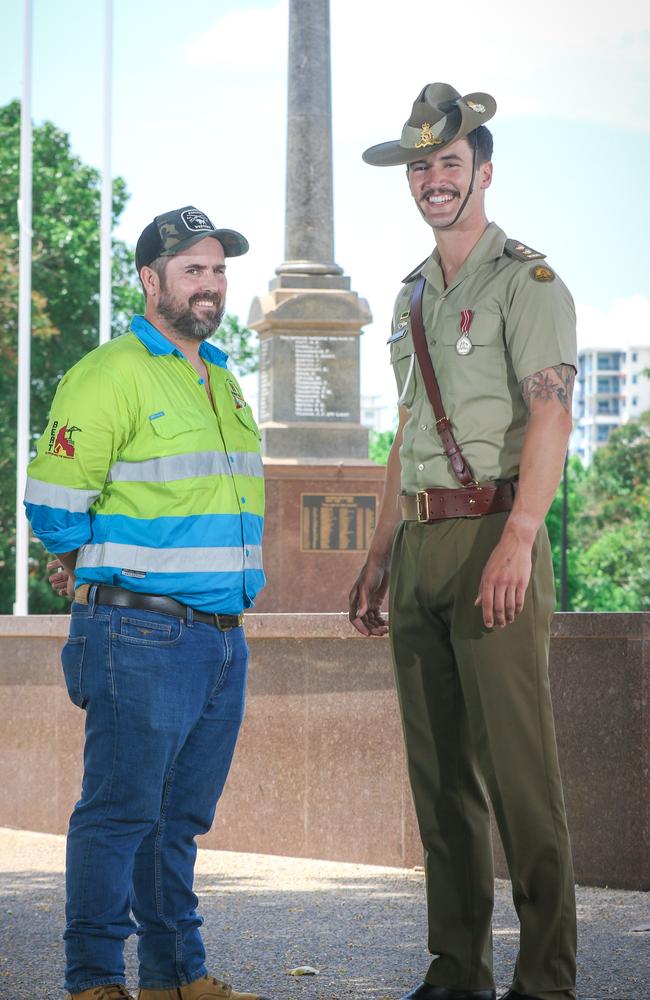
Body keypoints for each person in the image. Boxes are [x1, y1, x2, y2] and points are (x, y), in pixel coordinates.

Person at [349, 84, 577, 1000]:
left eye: (449, 163)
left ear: (483, 171)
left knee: (519, 777)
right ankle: (459, 971)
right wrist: (376, 554)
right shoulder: (412, 294)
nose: (434, 180)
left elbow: (552, 415)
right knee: (440, 781)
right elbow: (405, 433)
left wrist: (522, 536)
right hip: (419, 548)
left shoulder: (528, 282)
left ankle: (547, 979)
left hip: (495, 535)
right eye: (421, 167)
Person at [25, 206, 270, 1000]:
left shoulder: (224, 377)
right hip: (137, 630)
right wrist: (86, 564)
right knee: (119, 814)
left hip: (221, 640)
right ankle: (95, 980)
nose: (210, 283)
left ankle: (175, 976)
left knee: (178, 824)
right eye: (193, 269)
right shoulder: (109, 373)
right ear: (150, 279)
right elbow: (55, 506)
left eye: (218, 269)